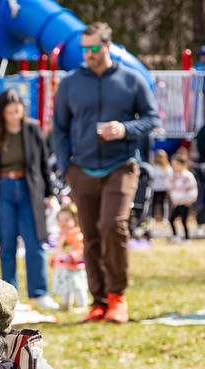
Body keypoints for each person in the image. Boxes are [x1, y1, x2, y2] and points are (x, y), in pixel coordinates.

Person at [52, 21, 160, 323]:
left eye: (94, 48)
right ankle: (98, 302)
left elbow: (152, 118)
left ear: (108, 46)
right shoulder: (70, 83)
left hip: (121, 164)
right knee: (90, 235)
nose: (88, 54)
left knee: (113, 225)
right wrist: (66, 167)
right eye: (84, 49)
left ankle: (117, 297)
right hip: (81, 169)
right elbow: (59, 128)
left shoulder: (132, 79)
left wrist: (125, 129)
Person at [0, 89, 59, 311]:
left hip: (29, 189)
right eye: (9, 112)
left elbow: (43, 164)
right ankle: (10, 295)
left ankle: (39, 292)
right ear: (1, 112)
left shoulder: (32, 130)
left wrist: (50, 194)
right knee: (7, 244)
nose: (14, 116)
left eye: (17, 111)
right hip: (3, 189)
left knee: (35, 242)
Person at [51, 203, 88, 311]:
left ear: (75, 219)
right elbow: (60, 249)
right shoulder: (62, 235)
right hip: (63, 266)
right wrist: (55, 258)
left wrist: (73, 256)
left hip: (74, 267)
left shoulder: (76, 235)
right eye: (60, 220)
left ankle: (82, 305)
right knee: (65, 287)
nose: (63, 223)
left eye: (67, 220)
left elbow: (80, 249)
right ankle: (66, 304)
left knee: (78, 286)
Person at [166, 151, 198, 243]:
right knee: (171, 219)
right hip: (177, 202)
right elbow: (169, 186)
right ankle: (175, 236)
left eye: (176, 164)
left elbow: (193, 189)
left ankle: (187, 238)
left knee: (184, 221)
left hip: (185, 202)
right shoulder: (175, 176)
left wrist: (189, 199)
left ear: (183, 164)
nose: (174, 166)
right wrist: (172, 177)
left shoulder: (187, 176)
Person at [150, 149, 172, 222]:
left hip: (163, 188)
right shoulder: (154, 167)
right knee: (154, 203)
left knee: (163, 203)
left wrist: (169, 188)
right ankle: (152, 217)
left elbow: (170, 178)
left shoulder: (167, 168)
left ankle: (164, 218)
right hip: (155, 188)